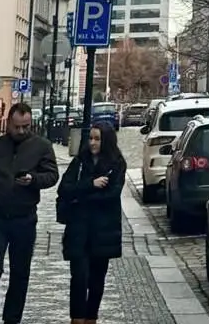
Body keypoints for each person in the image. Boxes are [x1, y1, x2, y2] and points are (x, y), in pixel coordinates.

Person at [0, 100, 59, 324]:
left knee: (20, 272)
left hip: (24, 218)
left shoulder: (41, 146)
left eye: (26, 126)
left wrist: (33, 180)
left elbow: (52, 175)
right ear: (8, 123)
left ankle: (12, 318)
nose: (21, 131)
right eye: (17, 126)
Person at [57, 122, 125, 324]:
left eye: (97, 139)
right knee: (79, 277)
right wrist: (90, 185)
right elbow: (65, 189)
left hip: (104, 230)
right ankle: (76, 319)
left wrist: (81, 198)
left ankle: (91, 318)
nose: (93, 143)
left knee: (96, 280)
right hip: (78, 230)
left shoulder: (116, 163)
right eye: (91, 138)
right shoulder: (80, 162)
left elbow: (111, 195)